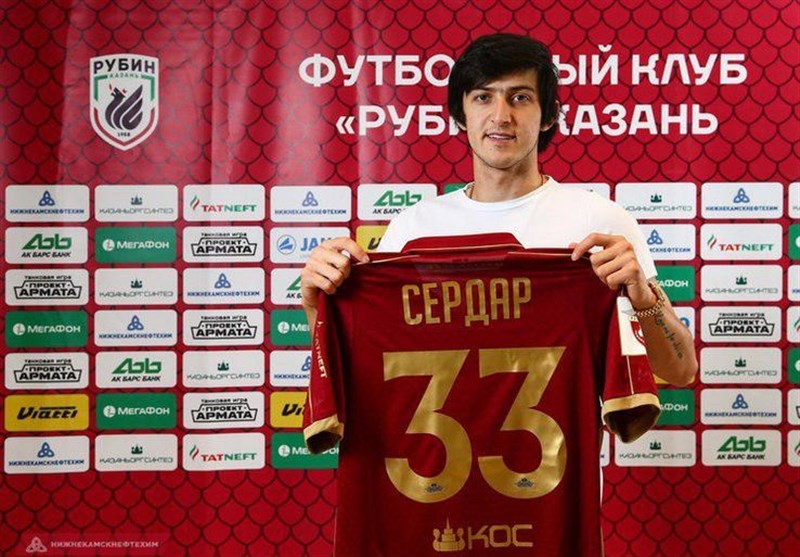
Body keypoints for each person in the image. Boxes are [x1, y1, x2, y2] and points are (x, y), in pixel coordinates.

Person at [300, 33, 697, 386]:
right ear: (461, 114)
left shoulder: (600, 221)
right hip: (430, 448)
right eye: (483, 97)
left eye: (520, 98)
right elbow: (366, 372)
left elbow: (680, 371)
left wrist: (645, 299)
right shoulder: (413, 227)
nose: (501, 116)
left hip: (564, 451)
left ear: (549, 115)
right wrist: (317, 308)